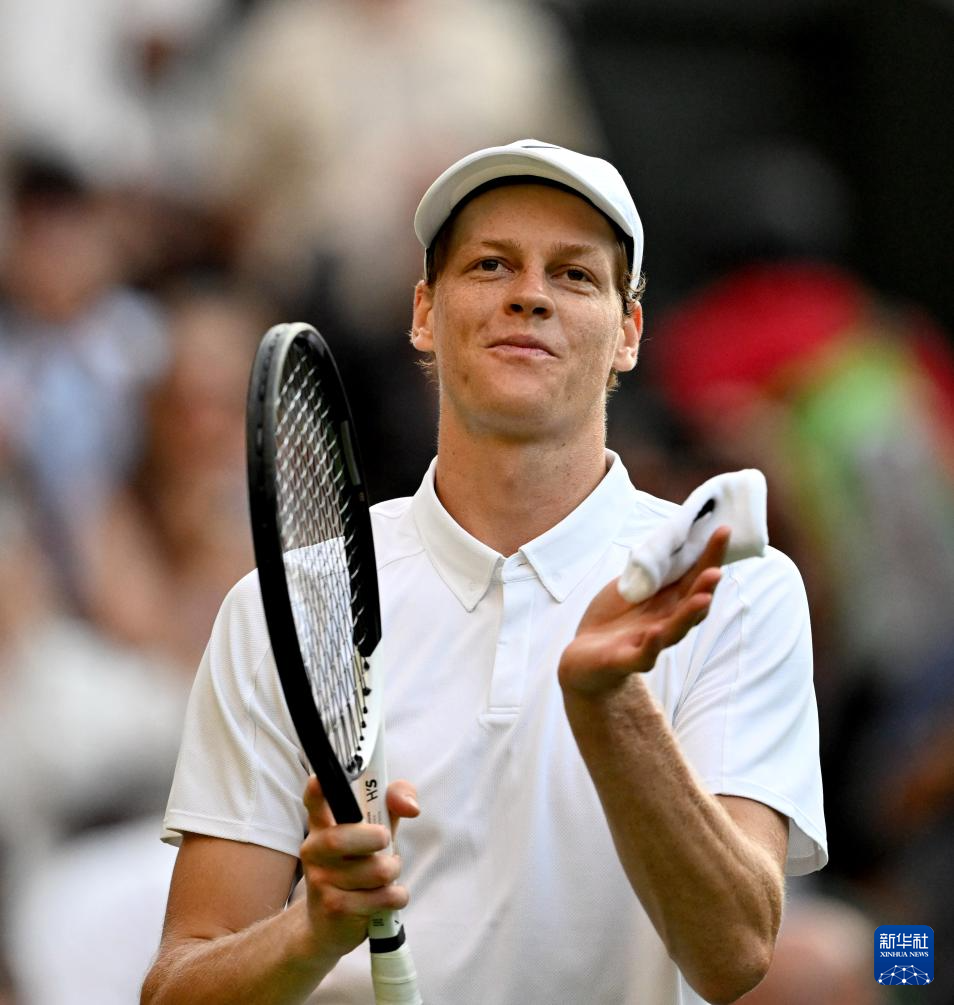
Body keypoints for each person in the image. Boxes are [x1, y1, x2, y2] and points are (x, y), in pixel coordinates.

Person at [142, 140, 827, 1005]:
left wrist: (610, 706)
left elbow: (734, 952)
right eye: (492, 264)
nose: (529, 294)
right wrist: (308, 930)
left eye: (574, 275)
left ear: (628, 333)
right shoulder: (279, 607)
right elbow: (179, 986)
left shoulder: (739, 589)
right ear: (424, 313)